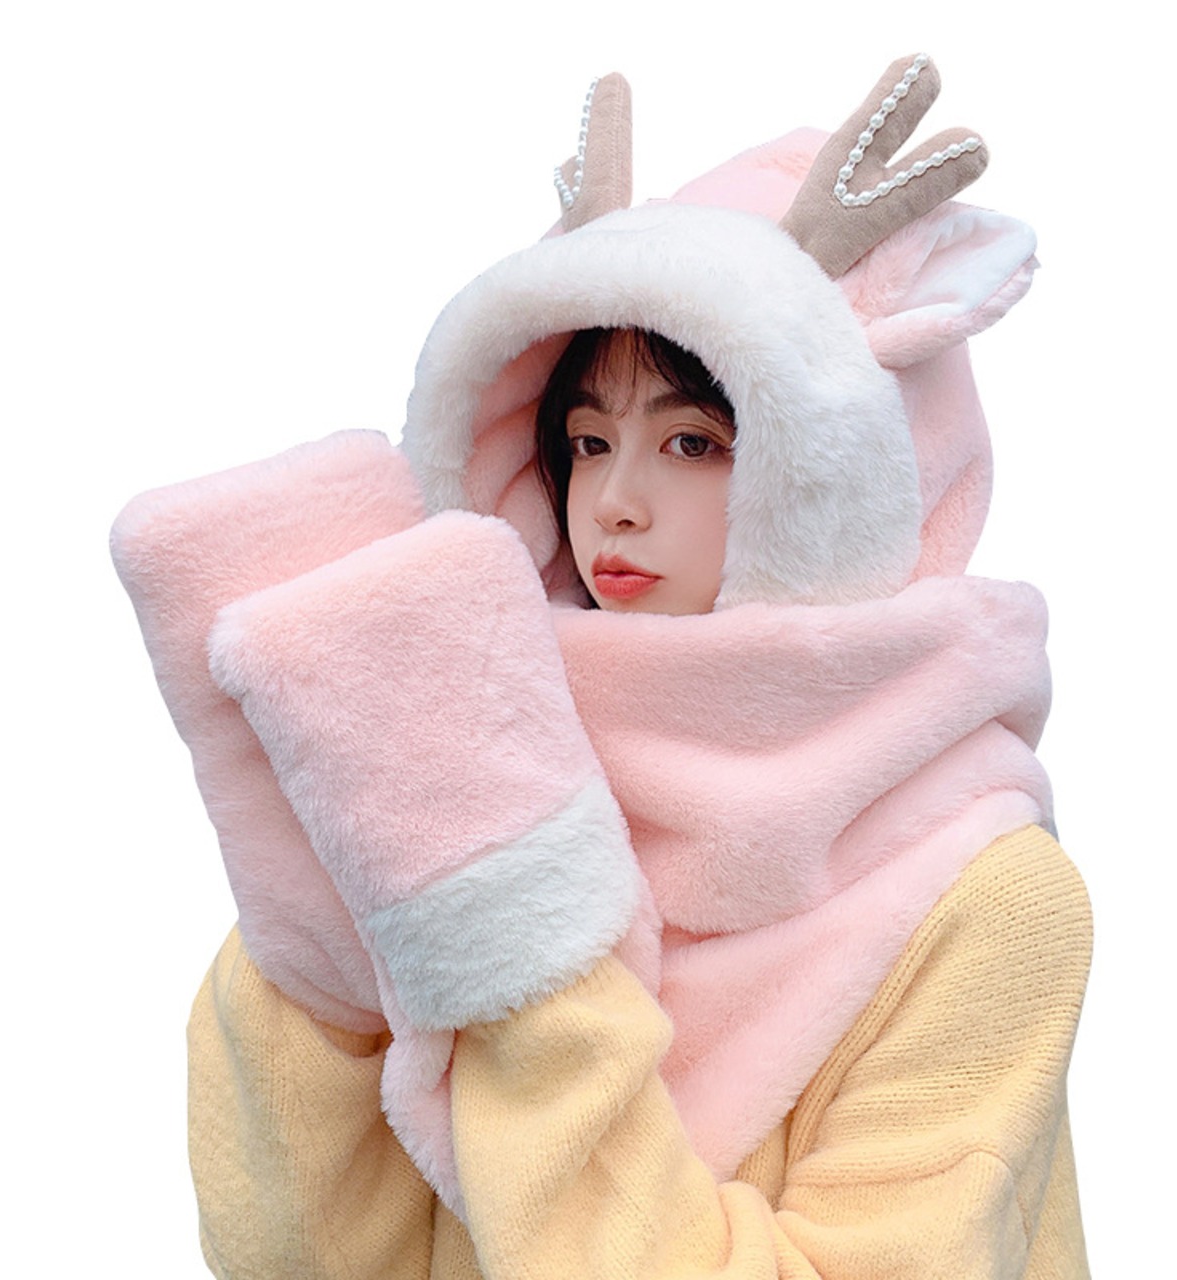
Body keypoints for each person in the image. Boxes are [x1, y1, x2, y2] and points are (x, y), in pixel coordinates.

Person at [112, 56, 1091, 1278]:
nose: (614, 501)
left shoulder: (978, 891)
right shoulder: (454, 782)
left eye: (692, 441)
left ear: (842, 471)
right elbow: (305, 1254)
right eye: (586, 439)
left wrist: (521, 945)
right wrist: (315, 921)